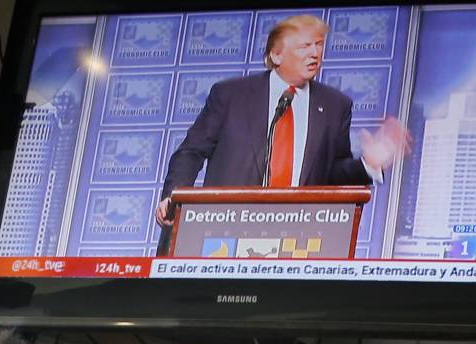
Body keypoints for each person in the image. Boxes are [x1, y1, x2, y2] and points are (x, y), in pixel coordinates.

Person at [155, 12, 411, 230]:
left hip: (298, 233)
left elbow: (333, 175)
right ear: (276, 55)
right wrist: (174, 196)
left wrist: (368, 165)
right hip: (225, 228)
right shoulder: (230, 95)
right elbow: (191, 151)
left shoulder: (336, 106)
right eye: (305, 46)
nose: (315, 53)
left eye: (319, 45)